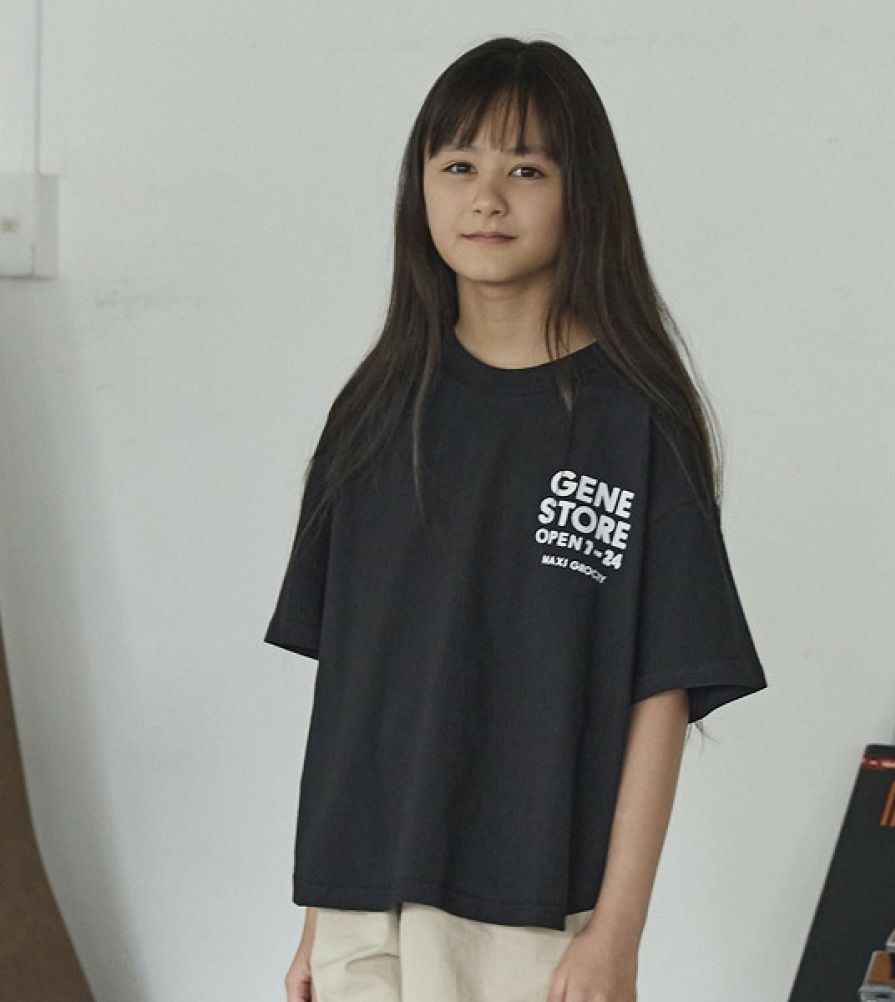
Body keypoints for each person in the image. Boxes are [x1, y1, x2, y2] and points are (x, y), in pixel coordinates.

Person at [265, 35, 768, 1002]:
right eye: (458, 165)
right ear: (420, 189)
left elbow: (660, 697)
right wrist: (319, 925)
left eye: (526, 169)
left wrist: (616, 934)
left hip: (534, 907)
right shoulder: (372, 413)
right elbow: (354, 689)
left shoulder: (634, 423)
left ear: (585, 194)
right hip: (362, 902)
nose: (486, 197)